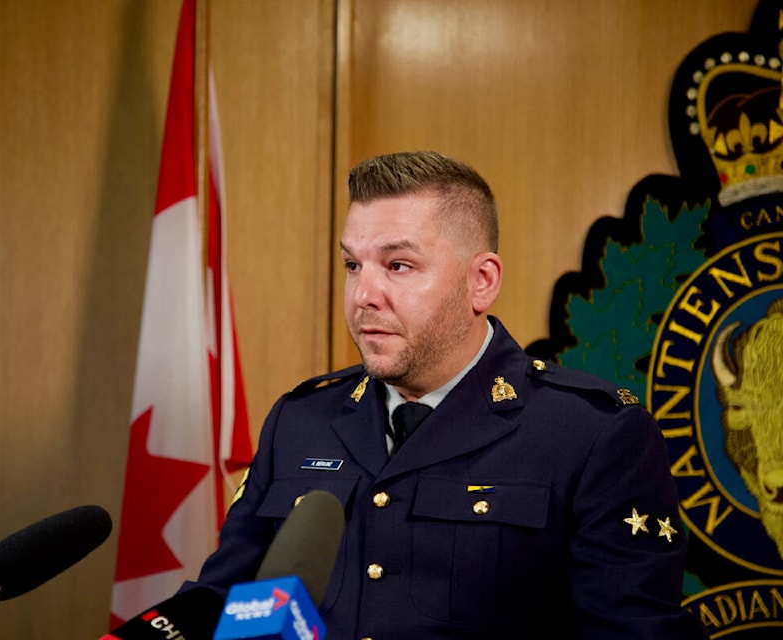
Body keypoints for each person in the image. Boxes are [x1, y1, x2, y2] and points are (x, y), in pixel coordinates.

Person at [185, 151, 709, 639]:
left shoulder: (592, 435)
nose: (363, 296)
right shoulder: (301, 420)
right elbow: (224, 602)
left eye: (398, 266)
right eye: (353, 265)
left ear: (481, 281)